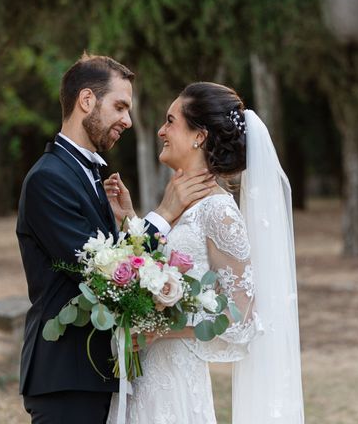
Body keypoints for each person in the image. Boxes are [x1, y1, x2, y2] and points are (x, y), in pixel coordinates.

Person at [16, 53, 215, 424]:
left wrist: (131, 223)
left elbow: (115, 260)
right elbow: (102, 277)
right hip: (66, 377)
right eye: (120, 106)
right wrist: (165, 213)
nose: (127, 120)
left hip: (97, 375)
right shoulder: (49, 179)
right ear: (87, 101)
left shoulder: (86, 175)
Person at [106, 82, 305, 424]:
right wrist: (131, 223)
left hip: (175, 381)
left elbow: (242, 319)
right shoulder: (182, 204)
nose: (161, 131)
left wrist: (162, 328)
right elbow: (164, 271)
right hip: (142, 376)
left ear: (199, 135)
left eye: (170, 121)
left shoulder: (219, 212)